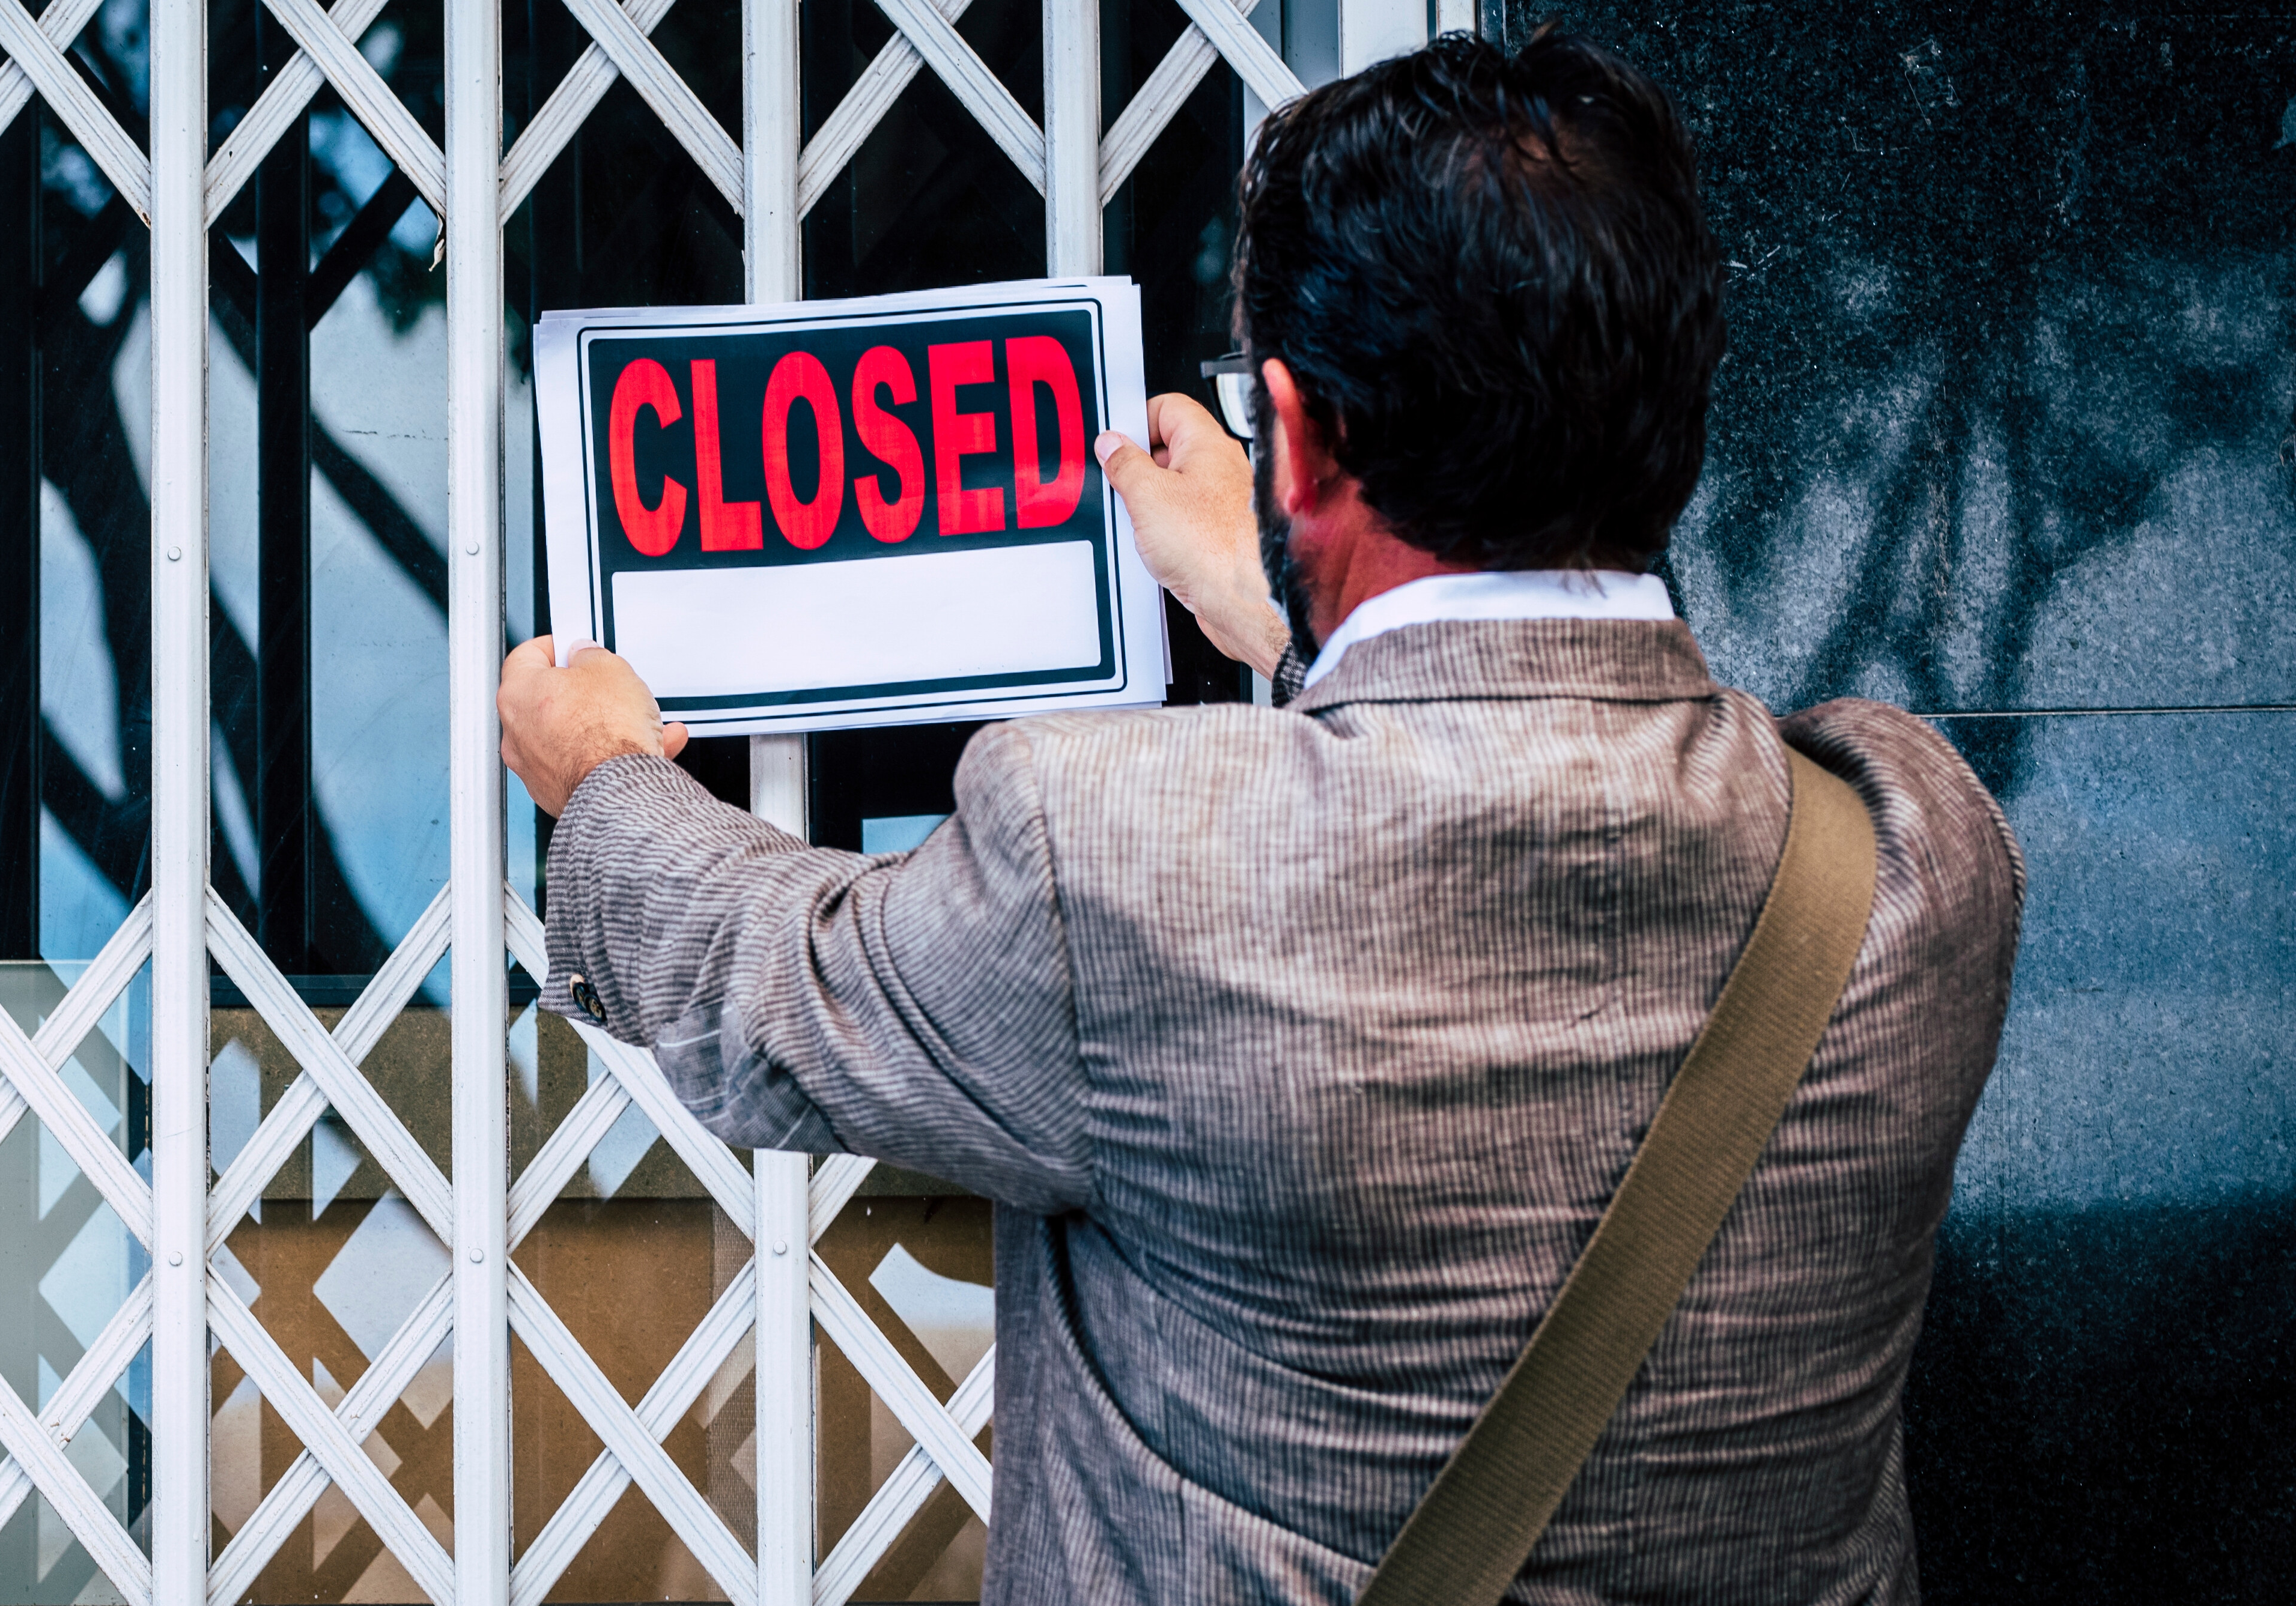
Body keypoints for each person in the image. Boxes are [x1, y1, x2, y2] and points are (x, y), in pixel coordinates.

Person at [496, 29, 2021, 1605]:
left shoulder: (1121, 864)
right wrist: (1294, 598)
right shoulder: (1914, 856)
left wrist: (601, 776)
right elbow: (1577, 767)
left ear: (1292, 436)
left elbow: (781, 981)